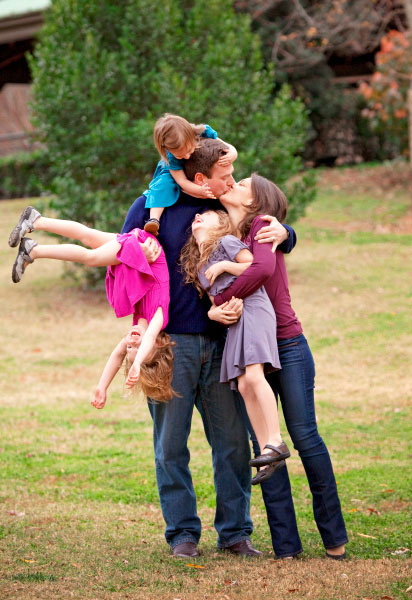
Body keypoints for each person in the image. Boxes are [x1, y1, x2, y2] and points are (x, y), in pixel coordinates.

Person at [120, 136, 296, 558]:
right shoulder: (149, 208)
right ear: (199, 175)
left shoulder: (224, 209)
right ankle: (182, 534)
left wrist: (287, 232)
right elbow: (123, 261)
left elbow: (265, 237)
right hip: (169, 342)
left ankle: (235, 532)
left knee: (233, 442)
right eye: (225, 174)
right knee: (170, 444)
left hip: (224, 344)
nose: (231, 180)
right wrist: (138, 328)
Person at [214, 174, 348, 560]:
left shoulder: (263, 227)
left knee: (305, 438)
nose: (233, 184)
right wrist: (215, 307)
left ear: (257, 202)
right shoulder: (225, 230)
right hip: (250, 349)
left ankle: (334, 540)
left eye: (241, 184)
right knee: (266, 447)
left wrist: (224, 292)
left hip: (287, 345)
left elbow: (262, 271)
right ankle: (286, 547)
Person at [7, 208, 176, 402]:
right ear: (158, 343)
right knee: (91, 257)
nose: (132, 345)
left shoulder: (136, 329)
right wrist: (137, 363)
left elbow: (116, 356)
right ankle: (34, 250)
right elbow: (149, 338)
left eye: (130, 350)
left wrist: (102, 387)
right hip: (146, 248)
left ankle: (37, 221)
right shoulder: (159, 317)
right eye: (139, 349)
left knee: (89, 238)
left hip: (140, 252)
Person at [180, 210, 289, 485]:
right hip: (234, 322)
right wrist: (212, 313)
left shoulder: (226, 243)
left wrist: (226, 266)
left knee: (253, 376)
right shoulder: (199, 260)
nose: (197, 216)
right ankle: (268, 451)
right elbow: (212, 300)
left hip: (252, 307)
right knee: (242, 386)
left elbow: (254, 268)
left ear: (222, 223)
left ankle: (276, 439)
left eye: (206, 214)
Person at [142, 114, 237, 235]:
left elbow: (227, 146)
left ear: (191, 135)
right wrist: (199, 190)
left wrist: (232, 154)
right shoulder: (171, 157)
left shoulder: (203, 131)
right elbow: (182, 182)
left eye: (189, 150)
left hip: (199, 166)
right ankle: (154, 219)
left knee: (223, 174)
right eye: (181, 155)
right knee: (163, 185)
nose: (187, 157)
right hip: (174, 173)